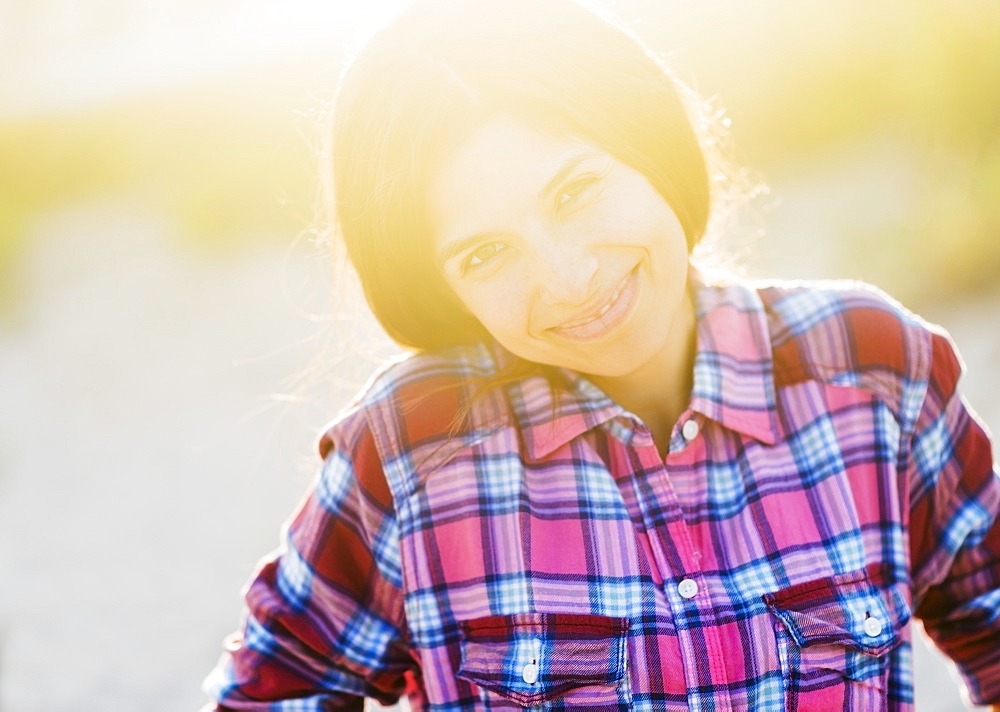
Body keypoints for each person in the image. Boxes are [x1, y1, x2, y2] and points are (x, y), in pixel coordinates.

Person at [202, 0, 1000, 709]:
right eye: (486, 253)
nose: (571, 279)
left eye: (576, 191)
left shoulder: (874, 369)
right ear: (441, 289)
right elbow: (275, 692)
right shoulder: (408, 457)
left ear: (645, 143)